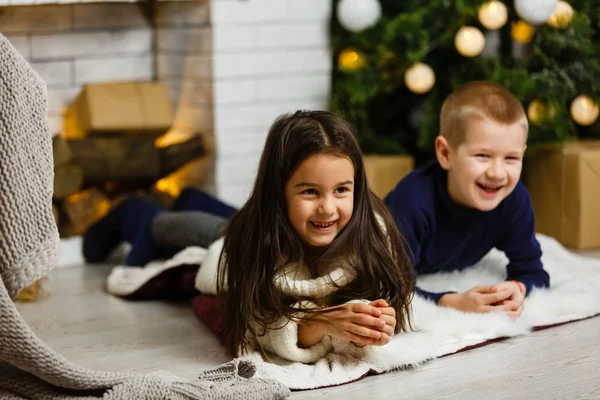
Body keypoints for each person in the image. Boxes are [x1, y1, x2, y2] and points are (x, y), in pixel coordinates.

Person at [84, 110, 415, 363]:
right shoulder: (252, 240)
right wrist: (321, 322)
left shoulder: (372, 229)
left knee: (220, 215)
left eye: (342, 189)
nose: (328, 208)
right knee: (196, 228)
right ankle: (139, 213)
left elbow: (395, 292)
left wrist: (377, 318)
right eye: (310, 191)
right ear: (279, 193)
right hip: (238, 235)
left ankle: (190, 196)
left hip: (280, 225)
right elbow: (259, 325)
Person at [385, 81, 550, 318]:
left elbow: (534, 272)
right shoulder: (411, 204)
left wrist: (518, 288)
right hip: (369, 247)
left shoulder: (514, 200)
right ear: (445, 153)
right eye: (483, 156)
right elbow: (388, 288)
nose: (497, 173)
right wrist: (452, 301)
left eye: (511, 158)